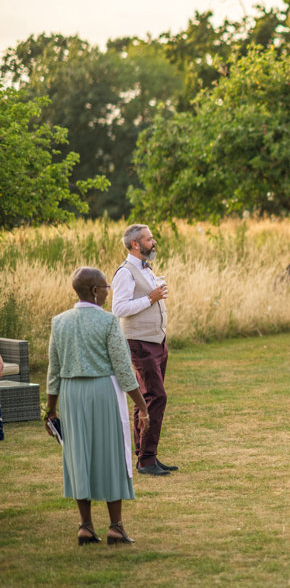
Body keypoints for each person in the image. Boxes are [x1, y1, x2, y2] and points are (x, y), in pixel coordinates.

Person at [45, 267, 150, 545]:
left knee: (78, 455)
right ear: (94, 291)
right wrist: (142, 406)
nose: (107, 291)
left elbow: (54, 371)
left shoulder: (59, 322)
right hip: (103, 391)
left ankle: (85, 526)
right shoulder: (109, 322)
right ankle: (115, 526)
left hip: (71, 394)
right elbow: (123, 370)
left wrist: (50, 410)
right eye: (106, 287)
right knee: (111, 454)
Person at [111, 224, 175, 476]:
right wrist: (151, 298)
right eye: (149, 239)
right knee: (156, 397)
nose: (154, 242)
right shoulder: (125, 273)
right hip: (140, 343)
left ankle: (147, 456)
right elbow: (119, 309)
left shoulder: (146, 267)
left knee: (146, 399)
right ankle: (147, 460)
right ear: (135, 244)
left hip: (157, 342)